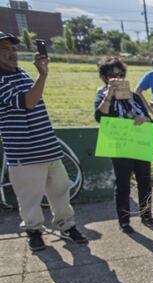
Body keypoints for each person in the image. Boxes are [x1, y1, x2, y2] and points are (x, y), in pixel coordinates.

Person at [0, 32, 88, 251]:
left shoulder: (21, 73)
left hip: (48, 149)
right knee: (30, 199)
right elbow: (29, 102)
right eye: (5, 49)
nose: (12, 53)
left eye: (13, 48)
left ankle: (67, 226)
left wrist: (39, 75)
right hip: (24, 154)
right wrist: (43, 75)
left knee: (60, 191)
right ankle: (34, 232)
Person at [94, 57, 153, 234]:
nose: (117, 78)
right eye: (112, 75)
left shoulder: (134, 96)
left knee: (145, 181)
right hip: (119, 146)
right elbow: (100, 116)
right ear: (105, 77)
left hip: (138, 144)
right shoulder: (101, 94)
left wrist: (143, 119)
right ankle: (124, 221)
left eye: (120, 74)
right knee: (123, 184)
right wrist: (109, 93)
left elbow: (150, 119)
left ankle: (147, 215)